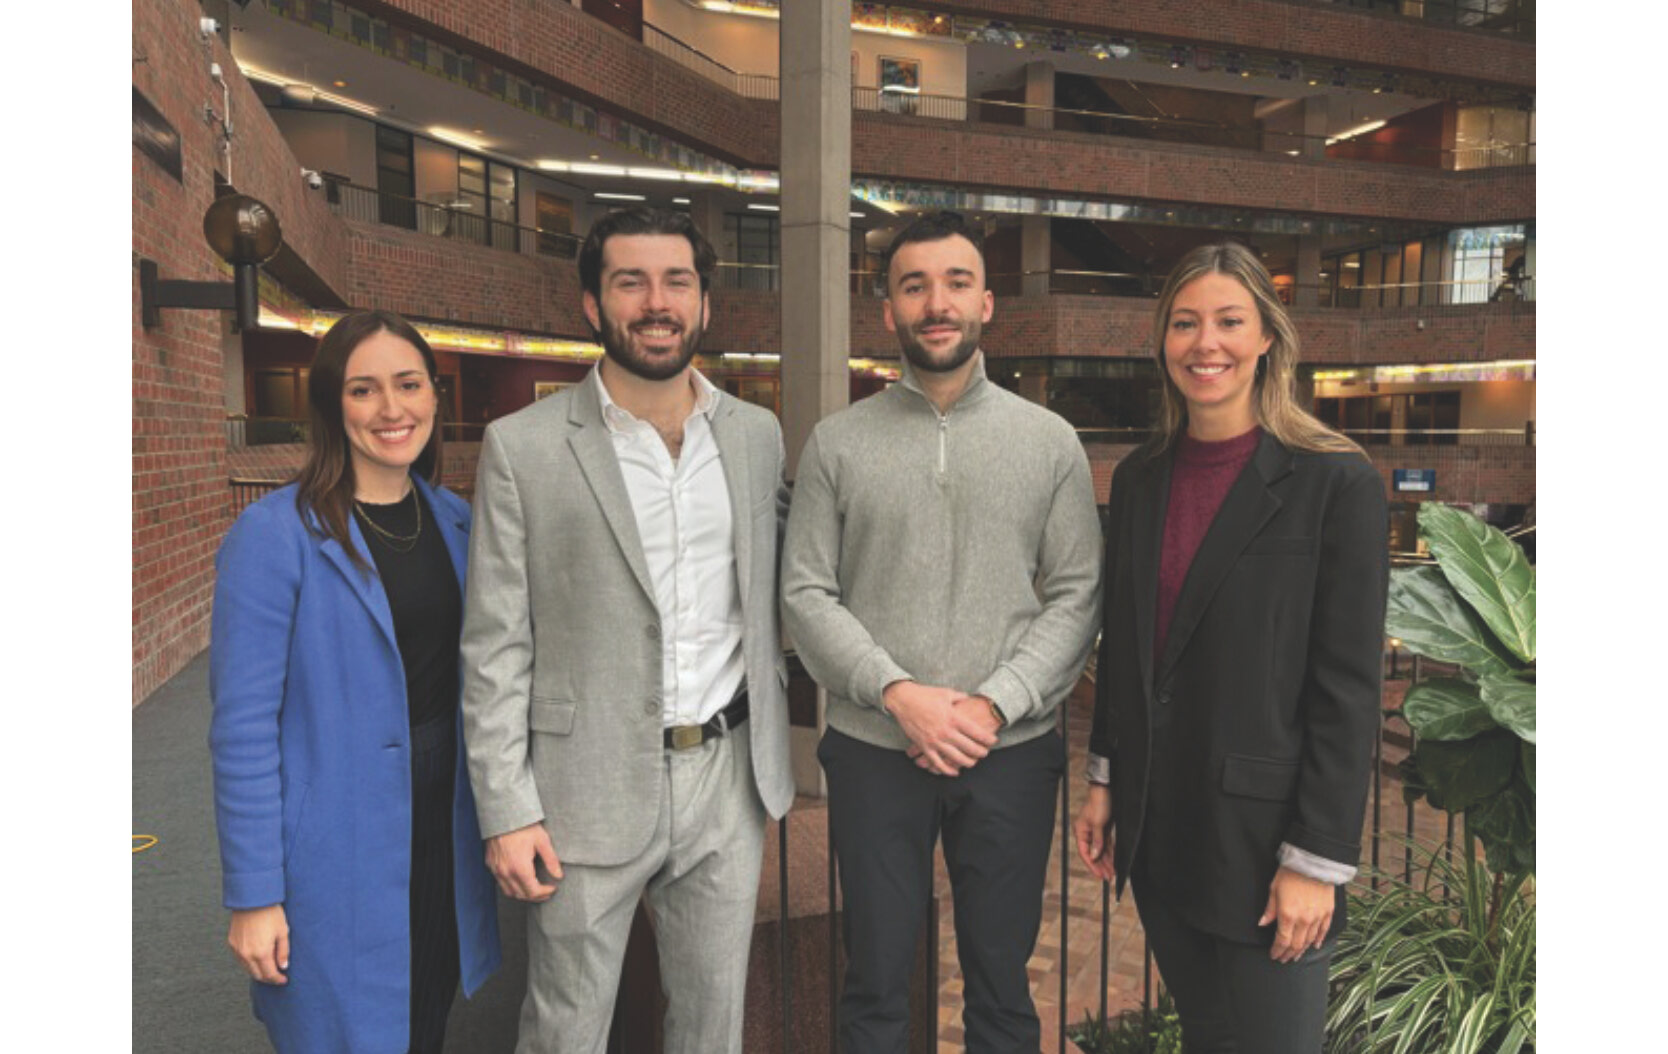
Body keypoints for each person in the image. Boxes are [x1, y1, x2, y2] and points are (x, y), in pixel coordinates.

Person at [460, 206, 793, 1054]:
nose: (657, 302)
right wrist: (506, 809)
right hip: (582, 784)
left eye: (677, 281)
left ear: (704, 303)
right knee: (565, 1032)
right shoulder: (521, 447)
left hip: (729, 781)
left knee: (711, 1031)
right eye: (630, 282)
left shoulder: (756, 436)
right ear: (592, 303)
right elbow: (495, 644)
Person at [783, 210, 1102, 1052]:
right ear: (887, 308)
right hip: (874, 750)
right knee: (874, 984)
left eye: (956, 283)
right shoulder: (836, 444)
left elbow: (1078, 596)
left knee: (1002, 989)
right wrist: (900, 695)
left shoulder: (1050, 443)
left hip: (1012, 751)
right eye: (914, 286)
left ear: (986, 303)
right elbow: (806, 594)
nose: (936, 303)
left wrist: (992, 706)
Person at [1072, 242, 1389, 1054]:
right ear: (1162, 342)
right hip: (1161, 835)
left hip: (1268, 852)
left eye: (1228, 321)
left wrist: (1316, 859)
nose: (1204, 343)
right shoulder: (1139, 478)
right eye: (1184, 323)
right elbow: (1128, 646)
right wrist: (1105, 778)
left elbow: (1348, 690)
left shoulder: (1336, 482)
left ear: (1266, 338)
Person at [209, 309, 502, 1053]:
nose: (390, 409)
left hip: (443, 829)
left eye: (409, 384)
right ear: (332, 405)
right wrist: (254, 895)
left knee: (424, 1017)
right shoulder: (274, 535)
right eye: (363, 390)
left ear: (434, 396)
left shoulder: (457, 522)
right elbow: (242, 731)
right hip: (332, 850)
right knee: (341, 1034)